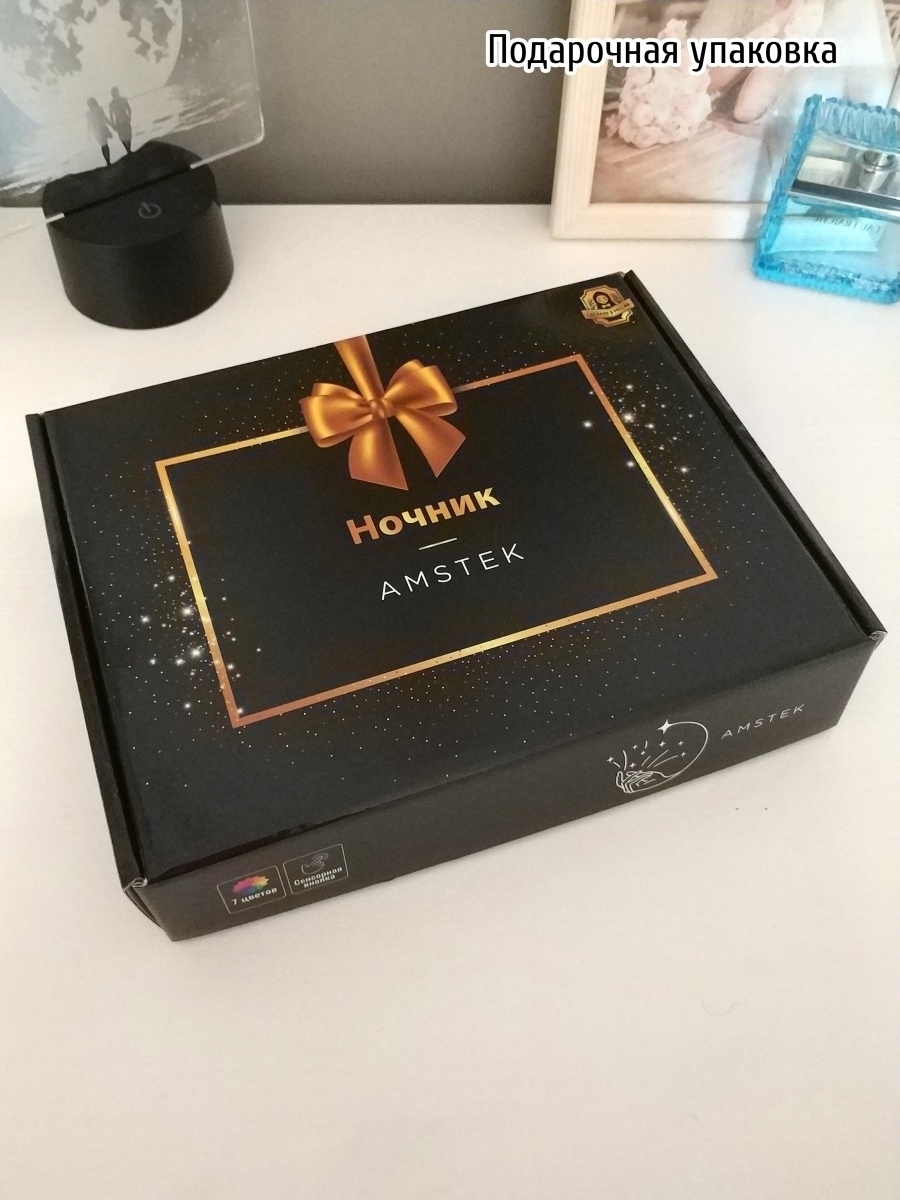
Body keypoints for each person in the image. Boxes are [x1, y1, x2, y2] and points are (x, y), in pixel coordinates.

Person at [86, 97, 113, 165]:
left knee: (104, 145)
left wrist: (111, 125)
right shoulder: (89, 113)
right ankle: (108, 161)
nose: (90, 105)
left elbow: (105, 118)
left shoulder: (99, 109)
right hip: (97, 130)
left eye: (91, 103)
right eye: (90, 104)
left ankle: (108, 161)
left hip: (101, 128)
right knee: (103, 145)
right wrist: (89, 135)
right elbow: (89, 124)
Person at [108, 87, 133, 154]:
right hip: (119, 120)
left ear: (117, 92)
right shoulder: (111, 104)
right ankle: (128, 150)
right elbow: (111, 115)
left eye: (115, 92)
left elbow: (129, 109)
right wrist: (113, 124)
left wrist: (129, 117)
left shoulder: (123, 99)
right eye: (113, 93)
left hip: (125, 118)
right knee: (122, 136)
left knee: (128, 134)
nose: (114, 94)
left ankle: (129, 150)